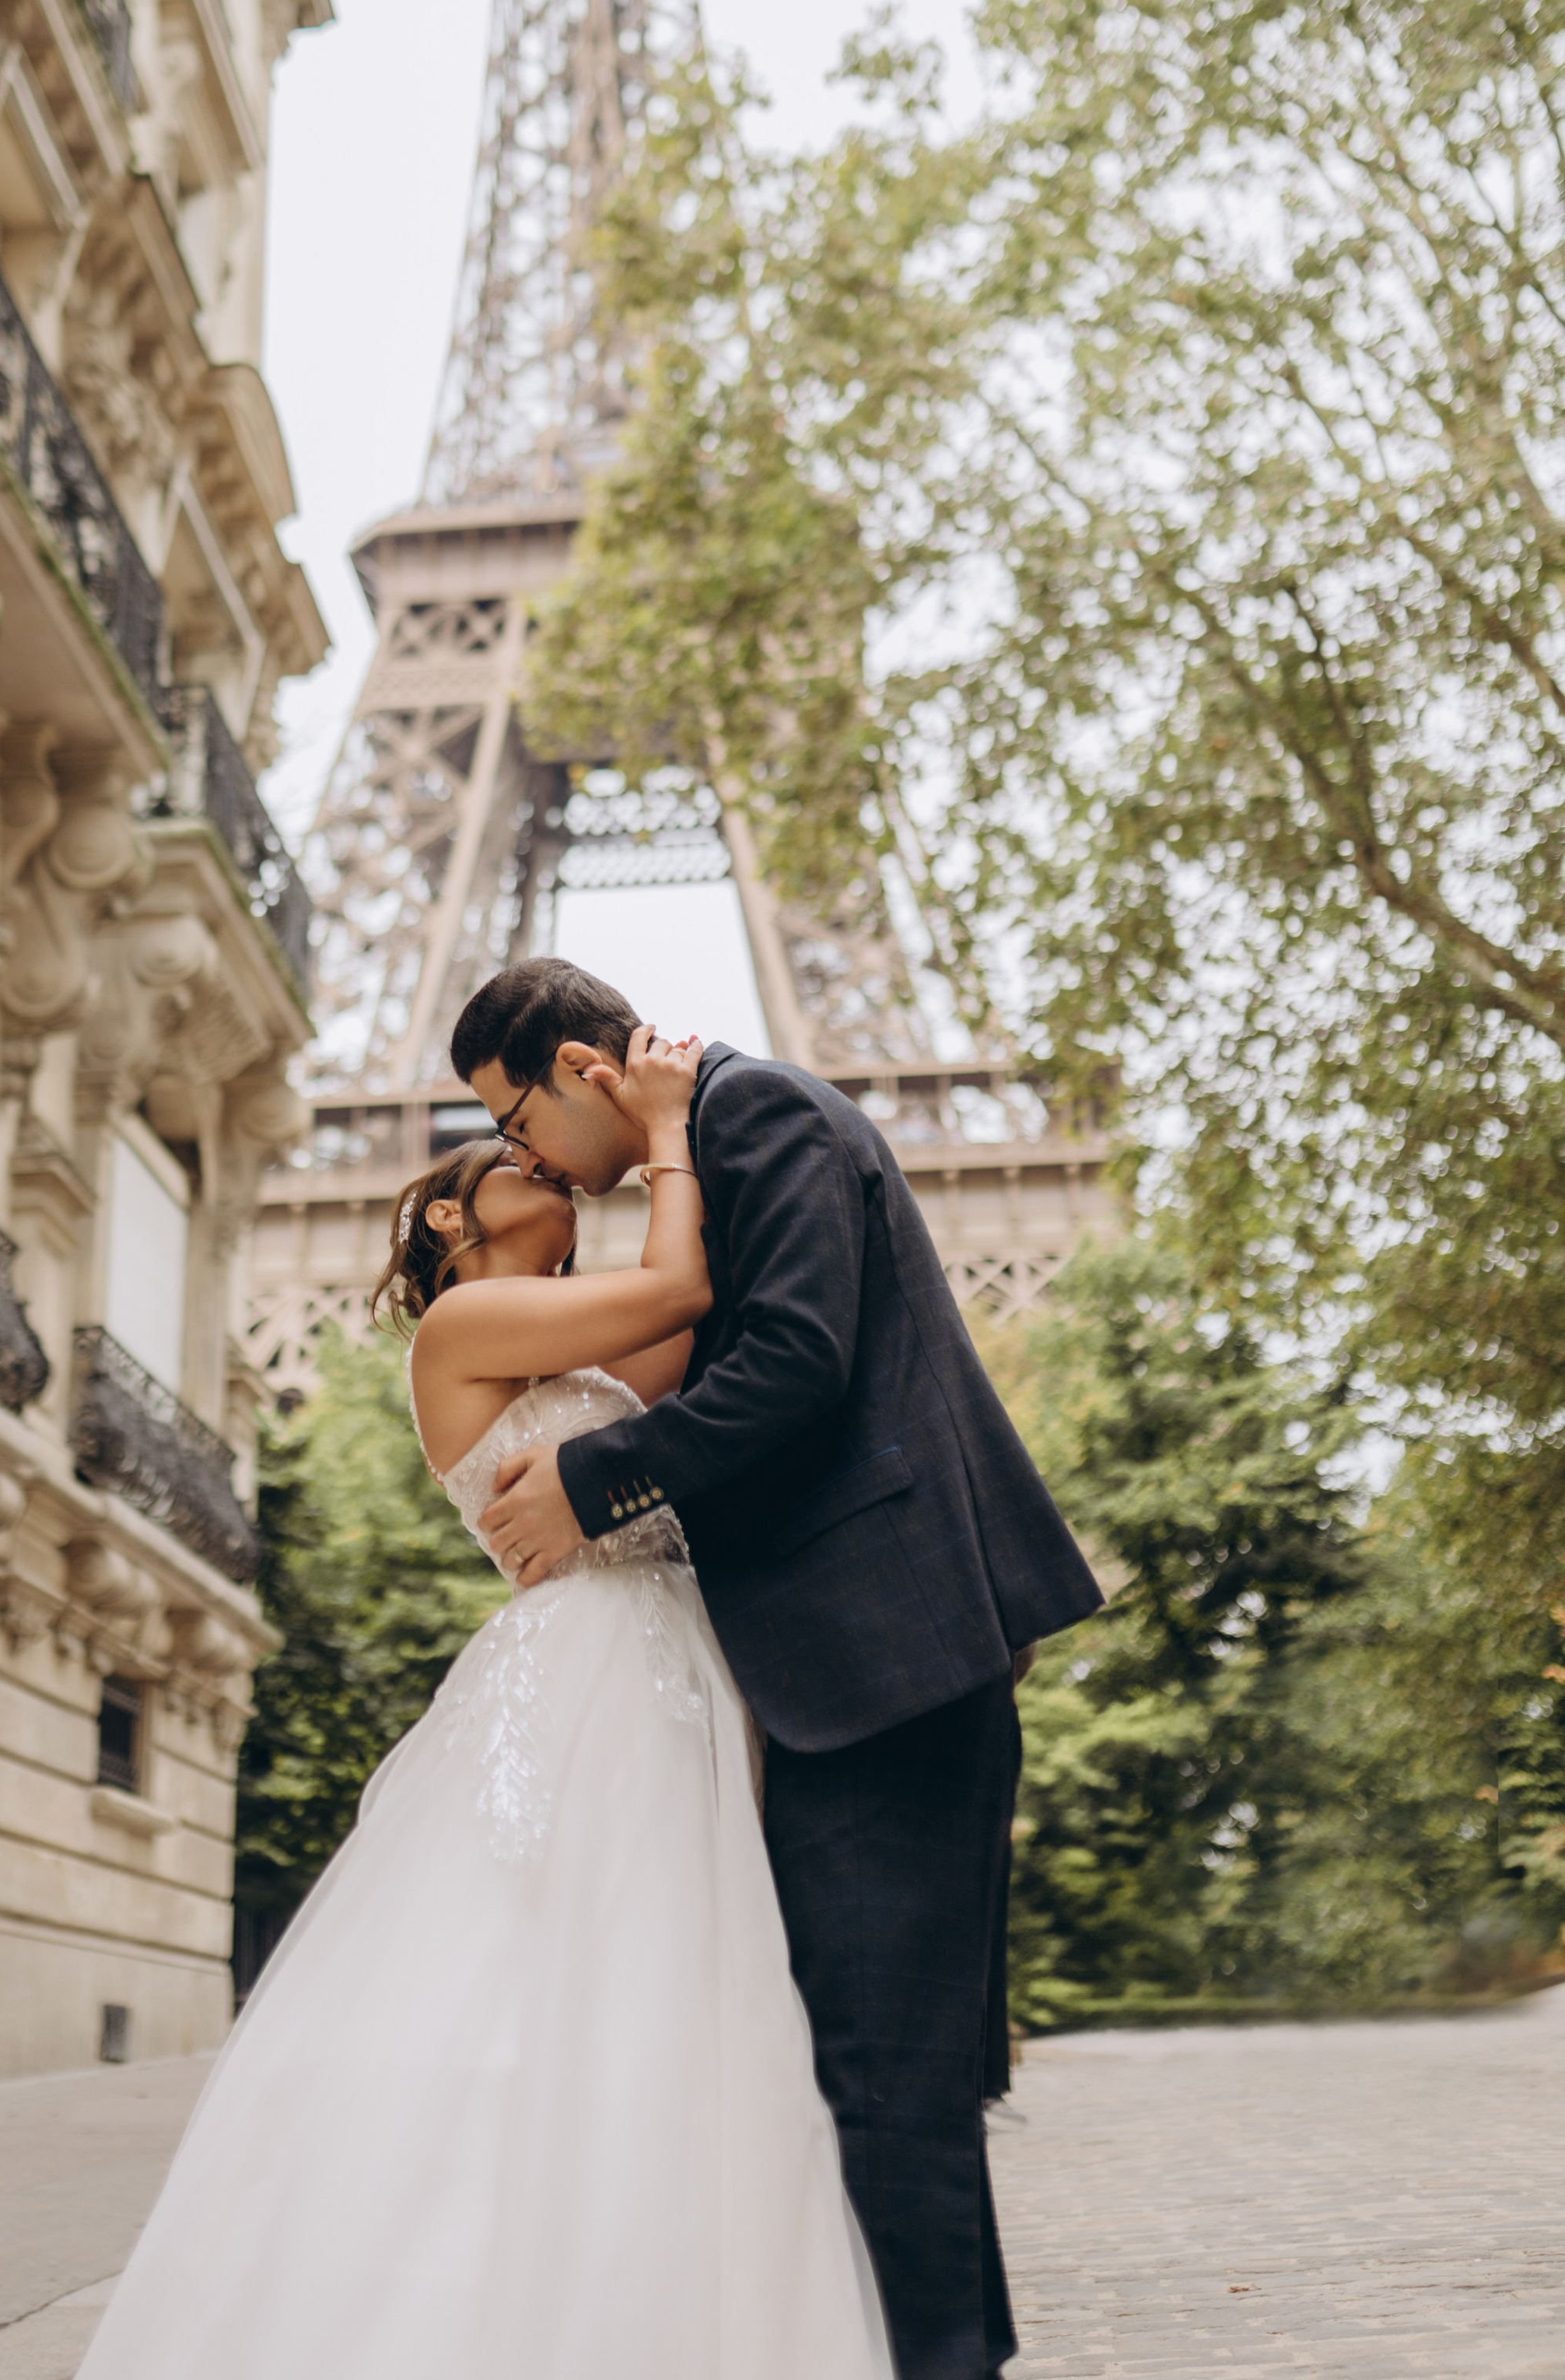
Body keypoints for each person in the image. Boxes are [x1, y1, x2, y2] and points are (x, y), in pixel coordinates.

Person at [76, 1026, 895, 2380]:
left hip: (676, 1663)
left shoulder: (567, 1349)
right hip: (582, 1673)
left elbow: (698, 1339)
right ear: (454, 1209)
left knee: (669, 1978)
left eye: (545, 1148)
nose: (543, 1163)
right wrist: (669, 1127)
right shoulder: (461, 1329)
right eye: (514, 1156)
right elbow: (683, 1277)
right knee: (552, 1963)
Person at [453, 959, 1105, 2380]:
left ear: (577, 1070)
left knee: (880, 2079)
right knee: (879, 2077)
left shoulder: (763, 1121)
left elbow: (798, 1361)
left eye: (516, 1123)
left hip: (885, 1655)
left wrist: (590, 1481)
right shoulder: (737, 1127)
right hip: (859, 1662)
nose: (521, 1159)